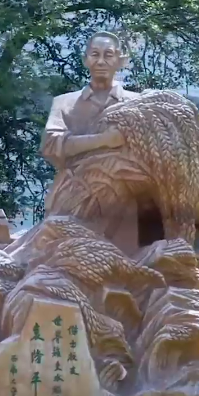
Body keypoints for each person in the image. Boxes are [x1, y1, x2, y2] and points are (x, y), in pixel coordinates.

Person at [40, 31, 142, 254]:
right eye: (95, 54)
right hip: (71, 198)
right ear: (85, 59)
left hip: (121, 205)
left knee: (120, 266)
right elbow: (51, 145)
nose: (101, 61)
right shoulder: (64, 103)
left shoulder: (137, 104)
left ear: (120, 60)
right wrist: (103, 141)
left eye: (108, 55)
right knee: (62, 261)